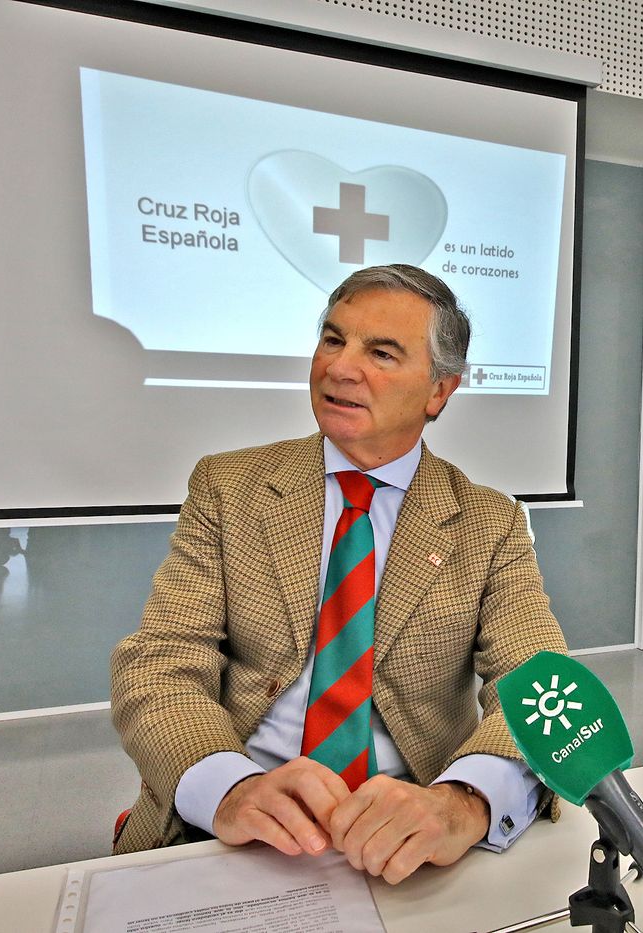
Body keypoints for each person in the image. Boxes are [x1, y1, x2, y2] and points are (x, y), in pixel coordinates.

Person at [110, 265, 567, 884]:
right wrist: (228, 786)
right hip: (243, 824)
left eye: (380, 352)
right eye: (332, 340)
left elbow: (541, 686)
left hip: (406, 835)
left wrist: (464, 802)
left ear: (439, 392)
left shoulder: (490, 523)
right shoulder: (230, 487)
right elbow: (160, 663)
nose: (339, 368)